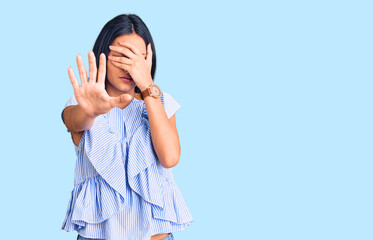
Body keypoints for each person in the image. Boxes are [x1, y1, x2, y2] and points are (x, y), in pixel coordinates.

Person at [60, 14, 194, 240]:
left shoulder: (161, 104)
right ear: (103, 55)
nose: (129, 67)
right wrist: (92, 110)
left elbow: (170, 157)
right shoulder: (81, 105)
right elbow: (75, 120)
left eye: (137, 59)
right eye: (121, 56)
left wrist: (148, 86)